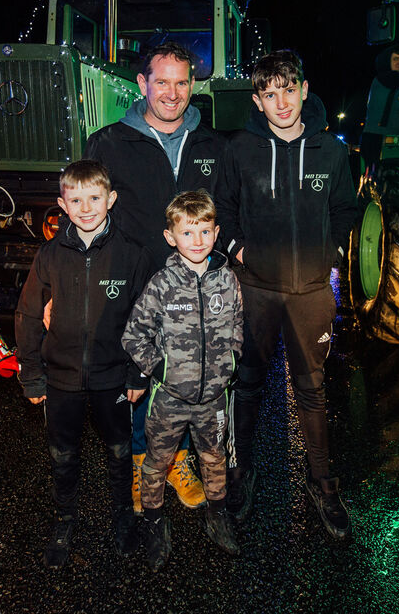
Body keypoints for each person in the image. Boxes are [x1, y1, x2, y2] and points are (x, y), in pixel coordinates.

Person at [216, 49, 358, 538]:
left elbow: (345, 208)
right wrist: (239, 251)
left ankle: (323, 482)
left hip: (311, 293)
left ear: (304, 88)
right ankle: (240, 474)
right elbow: (223, 208)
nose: (282, 102)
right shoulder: (239, 150)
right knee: (247, 385)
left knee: (312, 391)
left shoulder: (332, 151)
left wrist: (332, 253)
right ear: (257, 100)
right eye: (269, 93)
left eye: (288, 89)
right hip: (255, 290)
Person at [86, 41, 224, 511]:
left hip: (191, 289)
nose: (172, 92)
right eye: (161, 81)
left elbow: (228, 215)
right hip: (131, 285)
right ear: (142, 84)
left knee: (181, 378)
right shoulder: (108, 143)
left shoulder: (211, 145)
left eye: (182, 82)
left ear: (192, 86)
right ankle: (144, 463)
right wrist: (59, 287)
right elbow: (86, 216)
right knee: (136, 378)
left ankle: (177, 459)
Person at [14, 160, 153, 568]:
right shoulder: (49, 256)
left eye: (95, 198)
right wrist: (31, 373)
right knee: (63, 454)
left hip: (113, 378)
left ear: (111, 199)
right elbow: (26, 314)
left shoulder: (132, 255)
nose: (86, 207)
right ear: (62, 205)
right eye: (76, 199)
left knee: (118, 450)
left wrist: (139, 370)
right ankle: (64, 518)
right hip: (61, 381)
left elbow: (146, 318)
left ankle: (123, 519)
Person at [122, 190, 243, 570]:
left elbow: (238, 324)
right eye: (188, 233)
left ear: (216, 232)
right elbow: (133, 334)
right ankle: (155, 523)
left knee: (214, 456)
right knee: (157, 461)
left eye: (205, 231)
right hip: (169, 398)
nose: (198, 241)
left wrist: (232, 361)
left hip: (213, 399)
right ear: (170, 237)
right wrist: (158, 369)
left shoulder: (227, 280)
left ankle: (218, 514)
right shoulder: (161, 284)